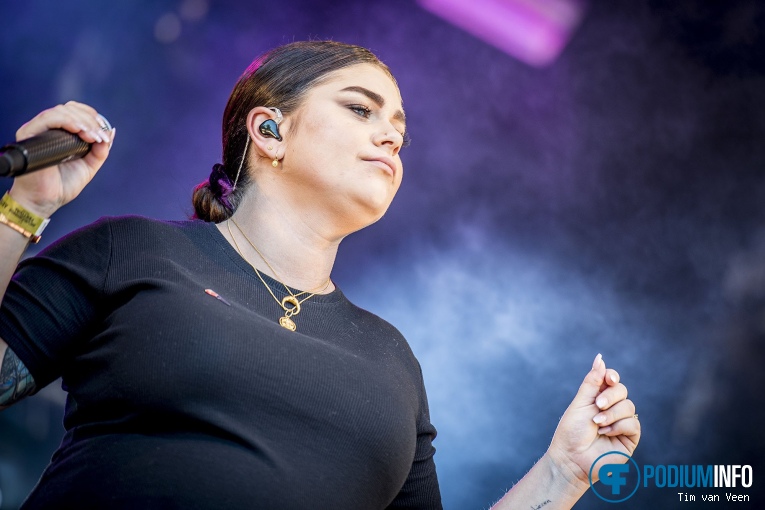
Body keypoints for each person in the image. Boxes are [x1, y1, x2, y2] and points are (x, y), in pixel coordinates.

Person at [0, 40, 640, 509]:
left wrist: (563, 474)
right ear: (270, 130)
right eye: (362, 110)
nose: (391, 139)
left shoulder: (391, 360)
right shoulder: (133, 251)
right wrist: (21, 208)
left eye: (400, 132)